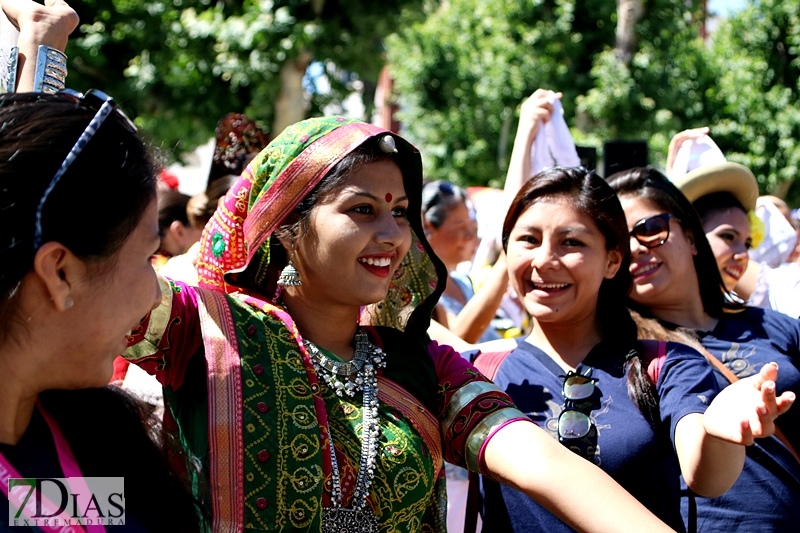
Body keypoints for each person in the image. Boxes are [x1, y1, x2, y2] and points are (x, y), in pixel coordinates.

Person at [123, 116, 680, 532]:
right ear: (288, 223)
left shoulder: (418, 363)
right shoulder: (207, 331)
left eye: (400, 211)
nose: (392, 234)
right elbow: (68, 272)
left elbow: (542, 463)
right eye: (362, 209)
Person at [472, 166, 791, 533]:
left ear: (612, 260)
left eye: (571, 242)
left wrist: (719, 431)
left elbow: (707, 478)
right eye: (528, 239)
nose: (544, 260)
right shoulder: (475, 373)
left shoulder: (665, 363)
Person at [0, 1, 202, 530]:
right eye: (145, 258)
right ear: (60, 272)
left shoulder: (85, 445)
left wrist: (42, 57)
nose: (158, 295)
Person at [608, 167, 800, 531]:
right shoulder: (622, 355)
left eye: (650, 229)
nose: (635, 248)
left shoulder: (769, 324)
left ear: (692, 237)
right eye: (618, 241)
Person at [421, 180, 506, 344]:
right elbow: (458, 341)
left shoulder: (463, 282)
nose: (472, 237)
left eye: (473, 228)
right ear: (429, 229)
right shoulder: (421, 293)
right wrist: (504, 266)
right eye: (461, 227)